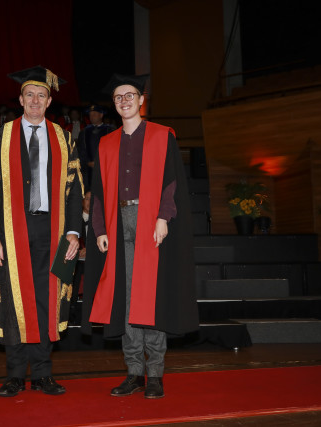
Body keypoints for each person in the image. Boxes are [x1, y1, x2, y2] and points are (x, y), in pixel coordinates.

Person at [82, 74, 199, 399]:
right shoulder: (107, 143)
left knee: (151, 296)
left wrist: (163, 216)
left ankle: (156, 373)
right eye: (118, 97)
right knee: (126, 298)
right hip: (117, 221)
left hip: (151, 221)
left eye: (130, 95)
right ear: (114, 104)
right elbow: (98, 191)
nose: (124, 101)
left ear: (141, 100)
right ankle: (134, 371)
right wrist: (100, 229)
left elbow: (172, 181)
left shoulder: (162, 136)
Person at [0, 66, 83, 397]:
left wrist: (73, 231)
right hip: (11, 229)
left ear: (49, 101)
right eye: (29, 95)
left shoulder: (64, 138)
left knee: (46, 299)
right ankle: (14, 375)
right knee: (13, 298)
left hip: (54, 229)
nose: (35, 100)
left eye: (41, 95)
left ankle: (42, 374)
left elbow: (75, 191)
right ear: (20, 99)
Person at [77, 104, 114, 191]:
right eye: (90, 114)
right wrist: (87, 162)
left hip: (105, 169)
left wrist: (100, 162)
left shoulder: (110, 130)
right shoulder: (84, 132)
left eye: (94, 114)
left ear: (101, 115)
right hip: (88, 170)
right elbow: (80, 150)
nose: (91, 116)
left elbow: (113, 151)